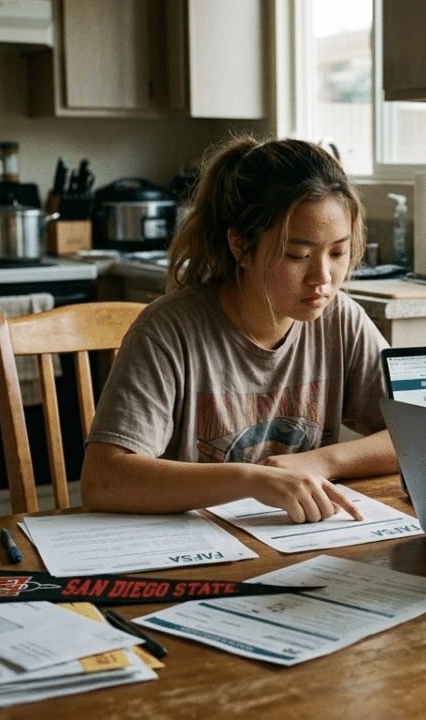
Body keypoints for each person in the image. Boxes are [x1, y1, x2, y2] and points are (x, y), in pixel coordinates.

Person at [80, 136, 396, 522]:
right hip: (193, 551)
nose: (323, 278)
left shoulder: (340, 320)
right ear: (240, 246)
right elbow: (102, 480)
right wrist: (252, 480)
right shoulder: (169, 330)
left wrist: (322, 461)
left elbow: (422, 434)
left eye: (337, 253)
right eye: (297, 255)